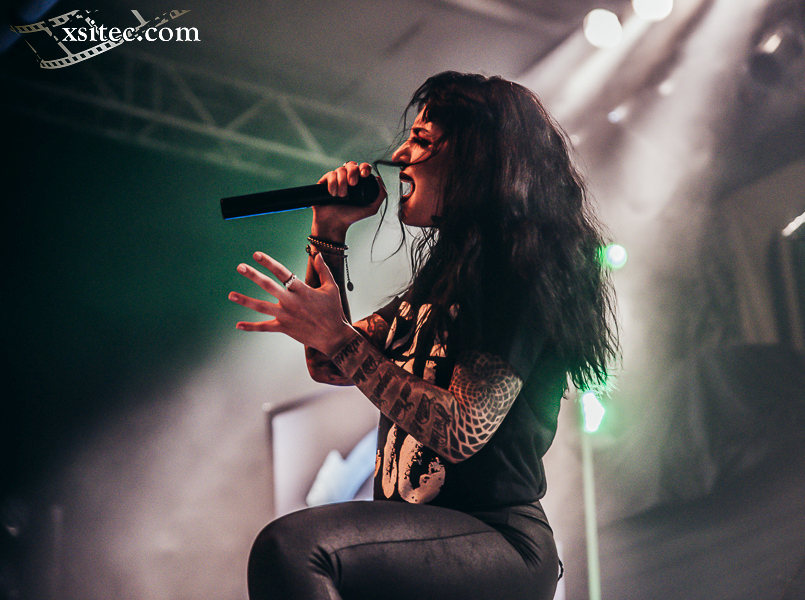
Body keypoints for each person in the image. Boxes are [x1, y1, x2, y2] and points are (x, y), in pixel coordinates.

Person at [228, 71, 618, 600]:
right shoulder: (439, 282)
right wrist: (330, 230)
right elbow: (329, 363)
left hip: (496, 538)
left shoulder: (519, 272)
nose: (399, 155)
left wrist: (338, 337)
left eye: (421, 140)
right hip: (424, 536)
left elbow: (461, 430)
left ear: (474, 157)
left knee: (294, 549)